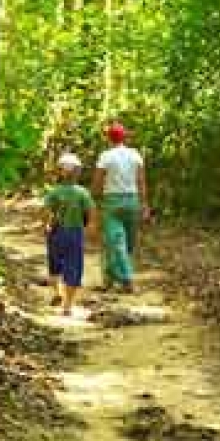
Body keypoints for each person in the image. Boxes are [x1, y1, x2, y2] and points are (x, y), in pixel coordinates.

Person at [92, 122, 150, 292]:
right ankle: (108, 280)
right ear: (125, 137)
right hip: (132, 201)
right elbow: (141, 181)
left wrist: (93, 198)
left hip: (112, 202)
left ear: (108, 138)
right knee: (127, 244)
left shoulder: (106, 156)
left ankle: (126, 279)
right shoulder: (135, 155)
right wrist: (144, 204)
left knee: (114, 242)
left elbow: (98, 180)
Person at [41, 153, 93, 317]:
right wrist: (90, 228)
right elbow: (91, 211)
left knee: (54, 264)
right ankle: (67, 305)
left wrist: (47, 226)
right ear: (78, 173)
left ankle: (57, 292)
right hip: (75, 233)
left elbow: (46, 213)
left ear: (59, 172)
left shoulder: (53, 192)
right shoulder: (82, 193)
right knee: (74, 267)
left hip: (57, 232)